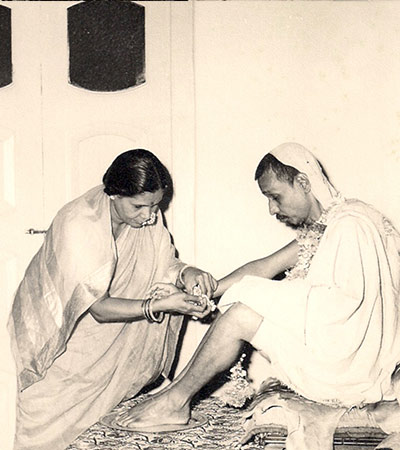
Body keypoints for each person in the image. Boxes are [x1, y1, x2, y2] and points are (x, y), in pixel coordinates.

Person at [117, 142, 400, 438]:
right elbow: (265, 266)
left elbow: (346, 307)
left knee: (242, 313)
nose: (272, 209)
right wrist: (207, 292)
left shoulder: (350, 225)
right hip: (338, 348)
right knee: (244, 306)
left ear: (303, 183)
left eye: (275, 197)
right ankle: (173, 397)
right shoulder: (326, 225)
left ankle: (174, 402)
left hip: (353, 364)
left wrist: (254, 292)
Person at [8, 149, 217, 450]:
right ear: (114, 194)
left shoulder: (147, 219)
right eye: (140, 206)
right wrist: (160, 306)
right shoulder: (77, 223)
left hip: (111, 354)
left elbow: (163, 265)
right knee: (42, 429)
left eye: (155, 206)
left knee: (103, 435)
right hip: (66, 345)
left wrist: (187, 273)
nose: (149, 216)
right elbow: (99, 308)